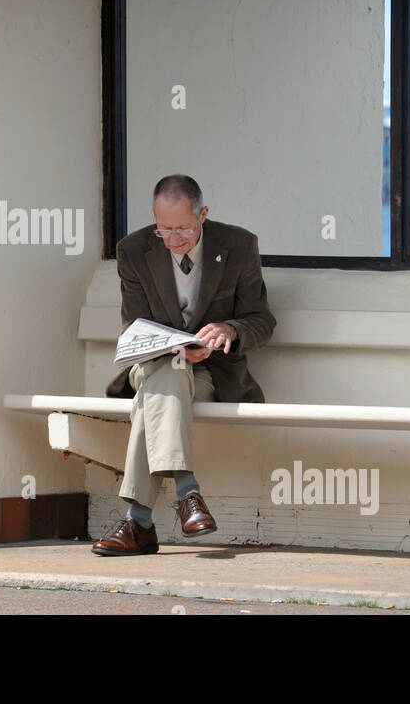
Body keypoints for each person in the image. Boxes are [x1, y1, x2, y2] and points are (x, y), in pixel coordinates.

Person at [91, 174, 277, 556]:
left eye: (183, 229)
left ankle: (138, 523)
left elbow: (262, 320)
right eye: (164, 230)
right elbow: (134, 326)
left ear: (203, 214)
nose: (174, 239)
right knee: (167, 373)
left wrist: (229, 329)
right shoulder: (132, 250)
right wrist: (173, 347)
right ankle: (188, 493)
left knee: (154, 397)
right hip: (153, 363)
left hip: (211, 372)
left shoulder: (239, 245)